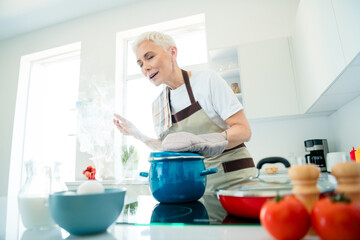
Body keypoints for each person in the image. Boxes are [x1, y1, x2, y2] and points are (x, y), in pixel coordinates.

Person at [113, 31, 256, 192]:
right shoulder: (159, 105)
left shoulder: (207, 80)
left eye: (150, 57)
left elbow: (244, 131)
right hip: (195, 186)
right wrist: (138, 134)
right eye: (140, 64)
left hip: (233, 179)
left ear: (172, 53)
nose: (145, 67)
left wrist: (202, 142)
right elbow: (167, 147)